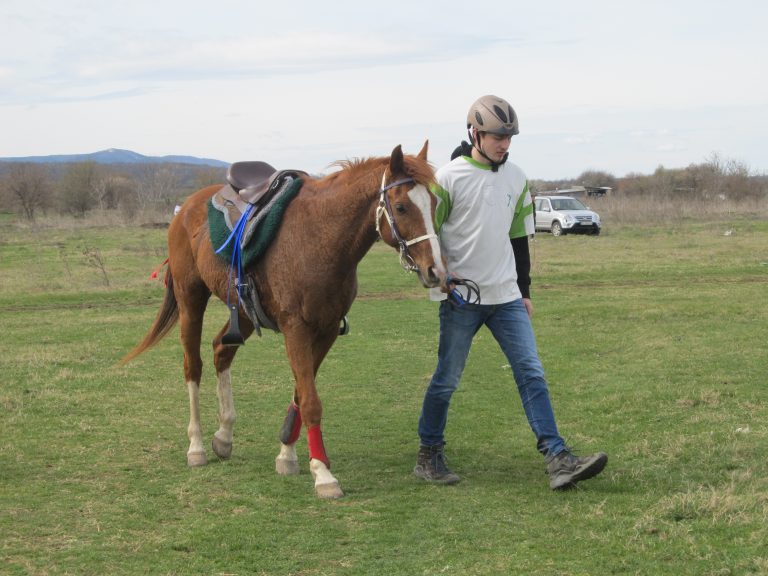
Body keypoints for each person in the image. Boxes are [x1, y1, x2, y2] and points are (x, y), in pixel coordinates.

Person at [414, 95, 607, 490]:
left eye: (509, 137)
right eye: (498, 136)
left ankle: (558, 458)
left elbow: (519, 238)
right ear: (475, 134)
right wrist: (439, 277)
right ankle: (428, 454)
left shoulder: (517, 177)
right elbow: (427, 237)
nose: (505, 144)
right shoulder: (447, 179)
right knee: (447, 379)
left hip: (505, 296)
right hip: (461, 298)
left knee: (531, 372)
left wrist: (525, 290)